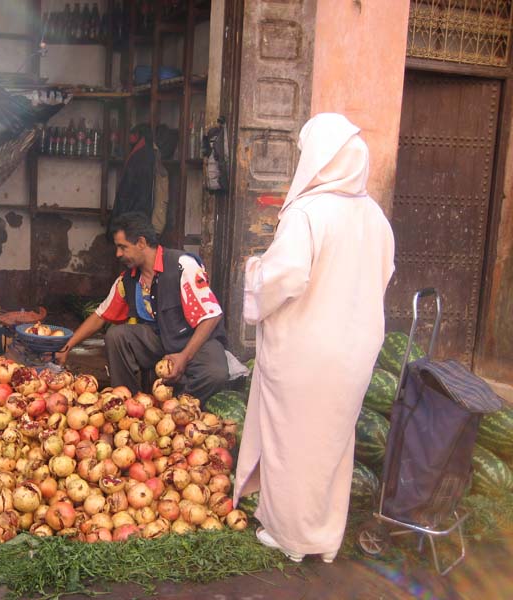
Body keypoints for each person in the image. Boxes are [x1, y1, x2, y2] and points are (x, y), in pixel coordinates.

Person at [232, 113, 395, 563]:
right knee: (331, 444)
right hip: (357, 349)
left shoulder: (307, 213)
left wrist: (253, 270)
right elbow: (382, 276)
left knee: (293, 442)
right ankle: (324, 537)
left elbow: (283, 280)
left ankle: (290, 536)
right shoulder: (376, 217)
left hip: (308, 350)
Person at [56, 212, 228, 403]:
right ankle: (128, 402)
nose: (118, 254)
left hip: (194, 339)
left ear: (141, 242)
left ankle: (177, 407)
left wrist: (184, 357)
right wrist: (67, 346)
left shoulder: (182, 266)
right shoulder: (128, 279)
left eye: (122, 247)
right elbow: (100, 316)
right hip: (160, 339)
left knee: (216, 374)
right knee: (117, 336)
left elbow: (212, 315)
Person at [107, 124, 156, 235]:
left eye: (132, 134)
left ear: (139, 135)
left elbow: (128, 188)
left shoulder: (140, 155)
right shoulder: (147, 152)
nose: (130, 138)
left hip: (134, 207)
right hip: (140, 207)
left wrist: (122, 212)